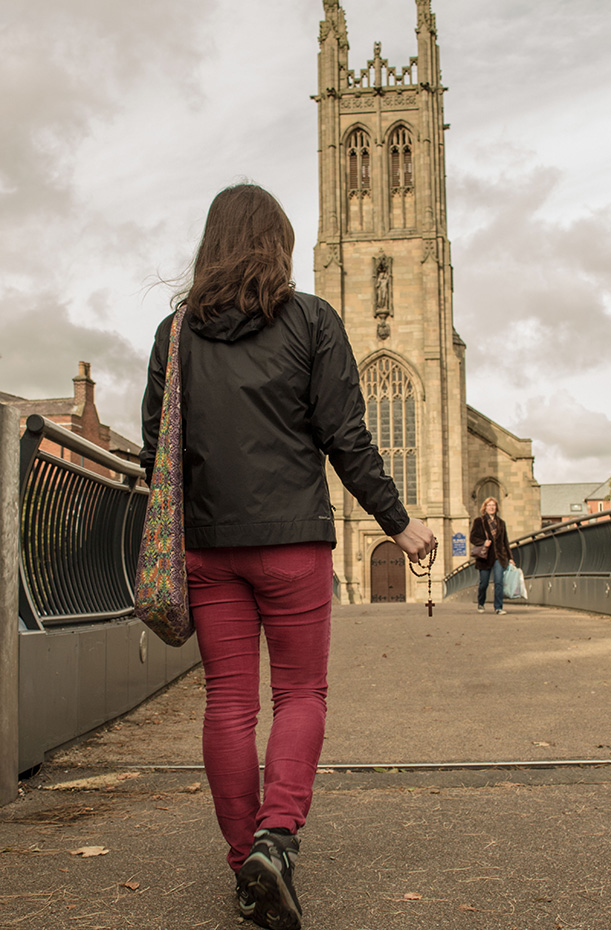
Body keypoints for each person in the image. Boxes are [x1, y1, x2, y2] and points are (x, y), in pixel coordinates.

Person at [139, 183, 435, 930]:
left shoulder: (175, 333)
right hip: (295, 543)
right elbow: (346, 438)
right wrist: (397, 522)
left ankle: (246, 862)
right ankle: (276, 840)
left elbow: (154, 454)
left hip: (209, 549)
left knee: (228, 703)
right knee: (301, 694)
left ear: (210, 245)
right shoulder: (311, 320)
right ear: (280, 245)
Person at [470, 497, 515, 615]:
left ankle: (498, 607)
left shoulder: (501, 523)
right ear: (485, 508)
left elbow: (505, 541)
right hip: (485, 557)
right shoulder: (479, 521)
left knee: (499, 581)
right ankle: (481, 603)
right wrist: (483, 542)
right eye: (489, 505)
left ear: (496, 508)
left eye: (493, 505)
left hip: (499, 557)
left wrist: (510, 558)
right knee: (484, 583)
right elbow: (472, 538)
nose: (491, 507)